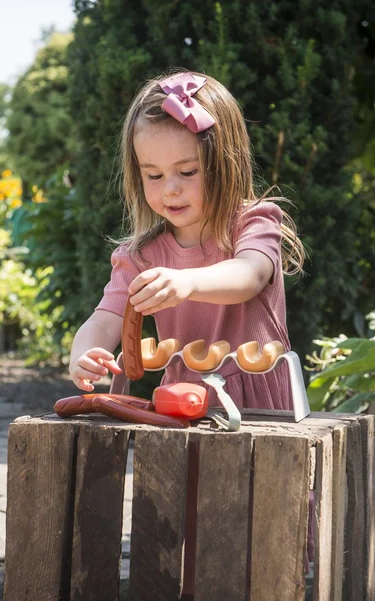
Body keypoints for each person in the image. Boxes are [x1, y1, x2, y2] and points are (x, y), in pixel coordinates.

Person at [68, 70, 306, 410]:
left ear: (224, 163)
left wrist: (187, 282)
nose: (170, 189)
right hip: (181, 404)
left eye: (187, 171)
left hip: (259, 408)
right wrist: (84, 355)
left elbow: (249, 274)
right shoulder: (142, 256)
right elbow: (105, 320)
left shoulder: (253, 222)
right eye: (154, 175)